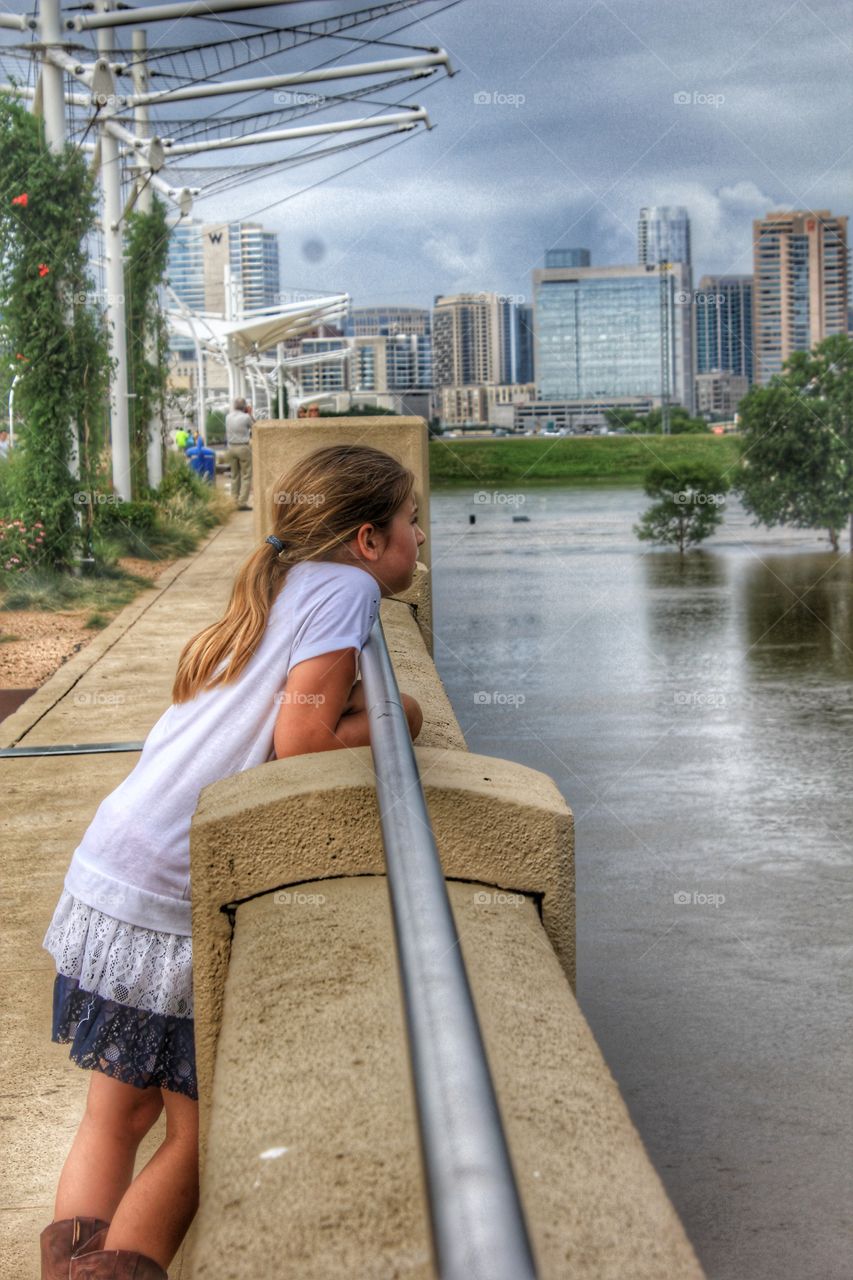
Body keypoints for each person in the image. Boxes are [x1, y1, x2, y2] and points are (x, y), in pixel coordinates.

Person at [39, 444, 425, 1278]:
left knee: (115, 1116)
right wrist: (404, 720)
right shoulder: (351, 591)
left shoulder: (282, 579)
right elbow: (302, 742)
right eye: (411, 522)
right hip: (175, 887)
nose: (419, 541)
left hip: (114, 862)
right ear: (367, 540)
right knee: (196, 1134)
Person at [223, 396, 254, 510]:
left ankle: (233, 501)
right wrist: (250, 413)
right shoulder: (246, 417)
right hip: (243, 447)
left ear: (234, 406)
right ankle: (242, 503)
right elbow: (255, 427)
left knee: (235, 475)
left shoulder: (227, 417)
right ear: (245, 407)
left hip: (231, 448)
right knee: (246, 475)